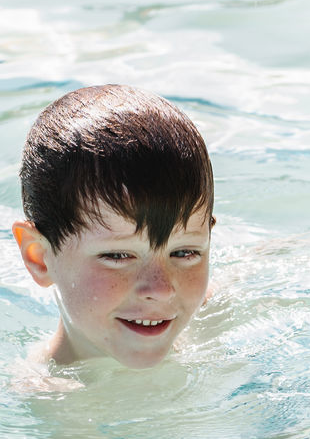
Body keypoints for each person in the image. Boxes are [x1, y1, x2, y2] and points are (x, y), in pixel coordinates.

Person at [13, 84, 215, 372]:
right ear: (39, 257)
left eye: (184, 252)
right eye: (118, 256)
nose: (160, 290)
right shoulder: (47, 401)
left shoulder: (210, 315)